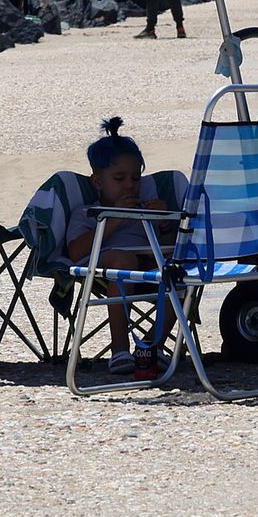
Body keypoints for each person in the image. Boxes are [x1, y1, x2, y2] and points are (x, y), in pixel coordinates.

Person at [64, 117, 179, 375]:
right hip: (105, 266)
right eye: (119, 178)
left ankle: (152, 346)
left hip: (147, 264)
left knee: (180, 270)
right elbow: (75, 252)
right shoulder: (87, 213)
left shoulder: (144, 210)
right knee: (123, 262)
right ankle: (119, 348)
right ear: (98, 182)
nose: (130, 185)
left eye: (136, 178)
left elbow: (168, 246)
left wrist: (164, 223)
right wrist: (114, 219)